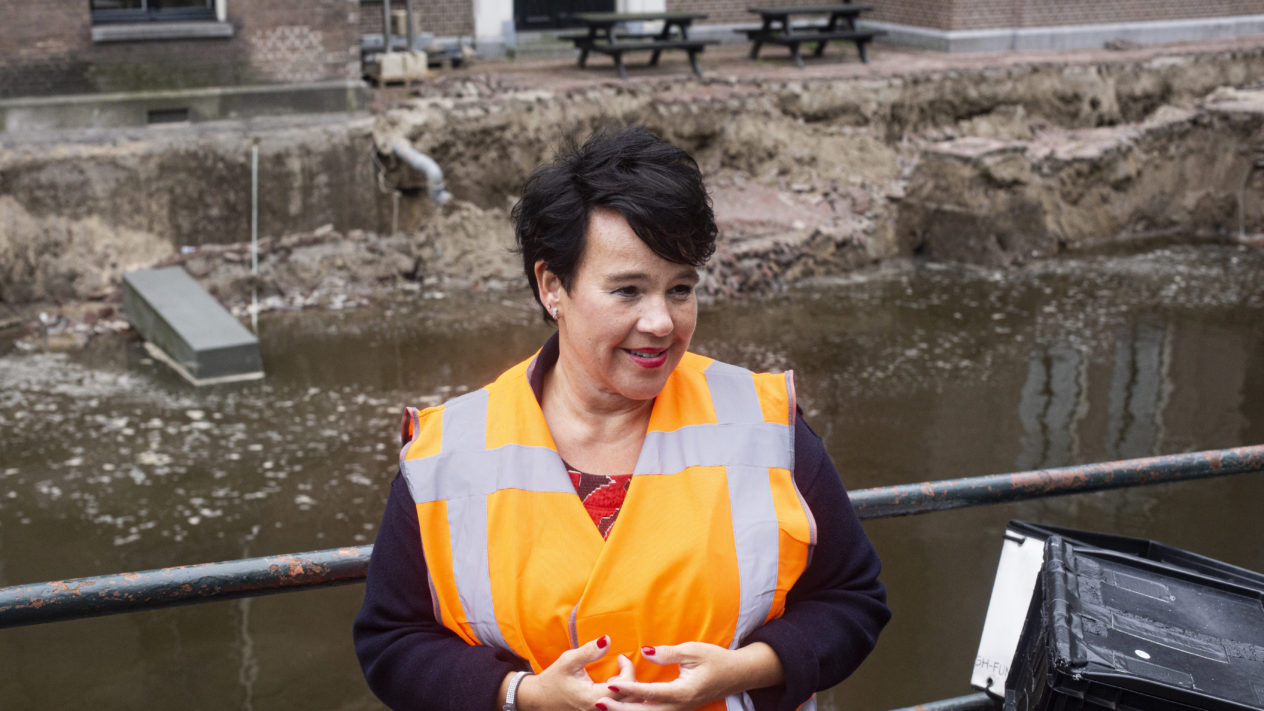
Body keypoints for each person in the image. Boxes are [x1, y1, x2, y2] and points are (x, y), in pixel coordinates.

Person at [354, 127, 890, 711]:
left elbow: (851, 599)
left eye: (680, 289)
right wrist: (520, 695)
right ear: (552, 286)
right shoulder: (447, 454)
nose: (661, 323)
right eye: (628, 291)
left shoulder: (764, 425)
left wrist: (740, 672)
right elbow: (393, 642)